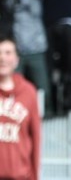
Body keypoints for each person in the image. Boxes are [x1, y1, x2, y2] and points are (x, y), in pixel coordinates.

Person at [0, 35, 41, 180]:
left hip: (20, 176)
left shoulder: (28, 92)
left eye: (8, 52)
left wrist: (35, 176)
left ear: (16, 60)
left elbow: (36, 137)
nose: (2, 58)